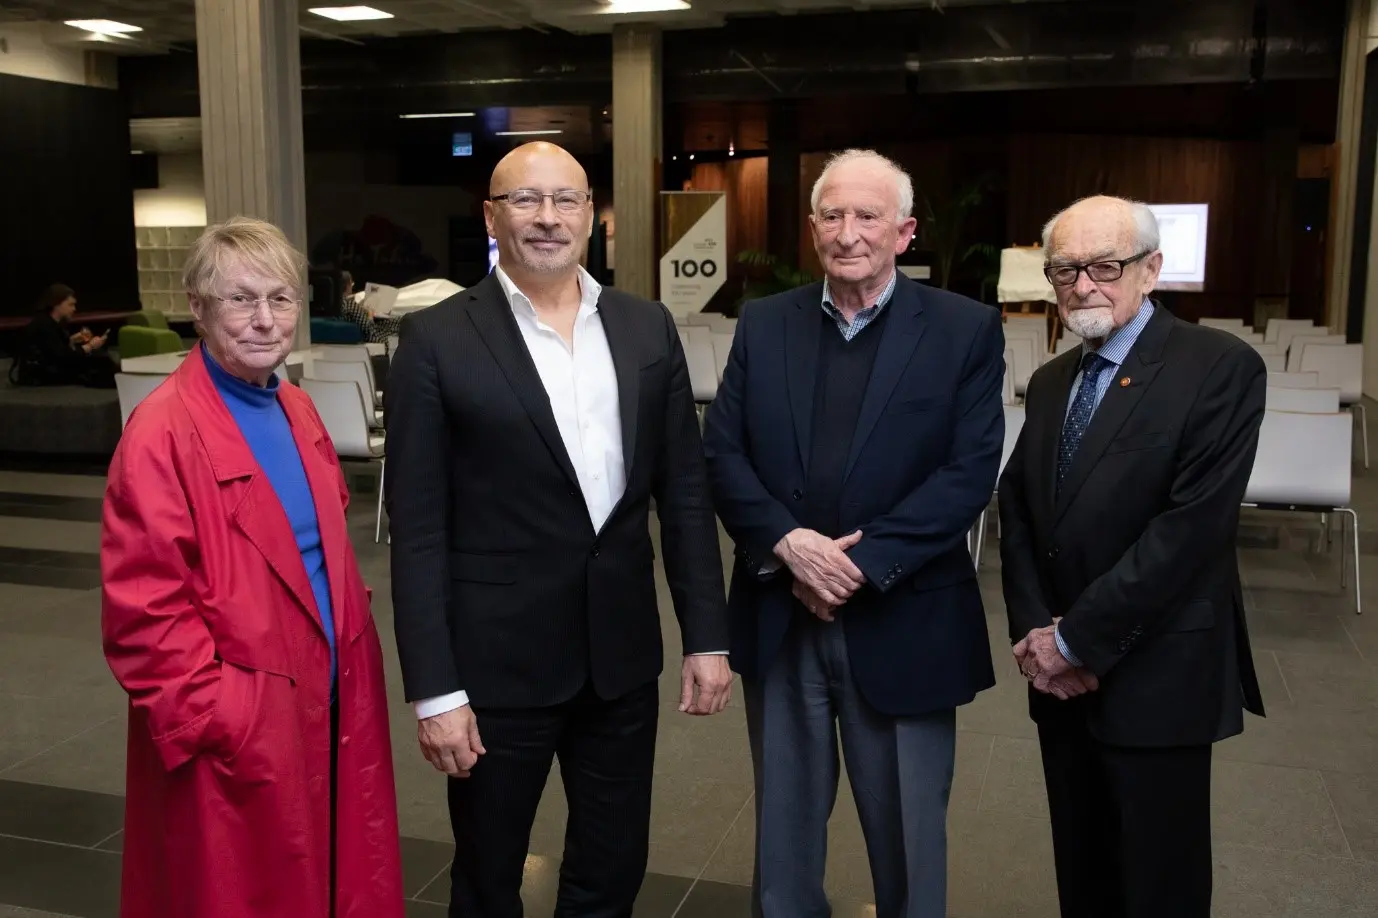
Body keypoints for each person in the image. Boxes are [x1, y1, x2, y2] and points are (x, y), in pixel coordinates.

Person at [384, 141, 732, 918]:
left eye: (566, 199)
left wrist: (707, 635)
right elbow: (419, 531)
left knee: (612, 871)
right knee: (487, 875)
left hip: (620, 659)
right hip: (495, 666)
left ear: (590, 213)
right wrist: (434, 691)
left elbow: (682, 492)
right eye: (525, 200)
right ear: (491, 215)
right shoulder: (436, 341)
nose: (548, 218)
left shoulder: (645, 328)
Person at [701, 148, 1005, 918]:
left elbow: (968, 474)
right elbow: (723, 452)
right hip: (781, 613)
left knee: (908, 844)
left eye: (867, 216)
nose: (848, 232)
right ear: (812, 229)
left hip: (903, 616)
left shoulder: (963, 330)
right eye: (832, 215)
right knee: (784, 841)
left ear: (903, 232)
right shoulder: (766, 323)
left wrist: (854, 567)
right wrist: (789, 545)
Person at [100, 216, 404, 918]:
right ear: (199, 310)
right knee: (246, 891)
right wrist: (225, 717)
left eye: (281, 298)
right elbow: (145, 615)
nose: (266, 320)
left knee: (334, 877)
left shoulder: (297, 408)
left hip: (328, 699)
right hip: (243, 723)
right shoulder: (161, 435)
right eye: (241, 300)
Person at [998, 195, 1266, 918]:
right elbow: (1018, 506)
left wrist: (1076, 639)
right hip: (1056, 675)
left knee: (1159, 887)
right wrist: (1035, 633)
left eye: (1105, 266)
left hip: (1156, 676)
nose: (1083, 286)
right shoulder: (1056, 379)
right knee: (1082, 876)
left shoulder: (1219, 367)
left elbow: (1190, 531)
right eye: (1065, 270)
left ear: (1152, 269)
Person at [12, 283, 115, 388]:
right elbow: (61, 357)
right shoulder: (44, 324)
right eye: (70, 305)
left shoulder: (50, 321)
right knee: (97, 362)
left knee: (99, 357)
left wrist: (72, 340)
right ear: (56, 304)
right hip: (40, 373)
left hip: (49, 366)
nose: (74, 309)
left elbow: (54, 348)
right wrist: (89, 346)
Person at [339, 270, 402, 343]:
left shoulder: (337, 303)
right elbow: (368, 329)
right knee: (397, 323)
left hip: (361, 327)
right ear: (347, 286)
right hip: (371, 334)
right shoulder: (350, 305)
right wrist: (370, 315)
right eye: (352, 284)